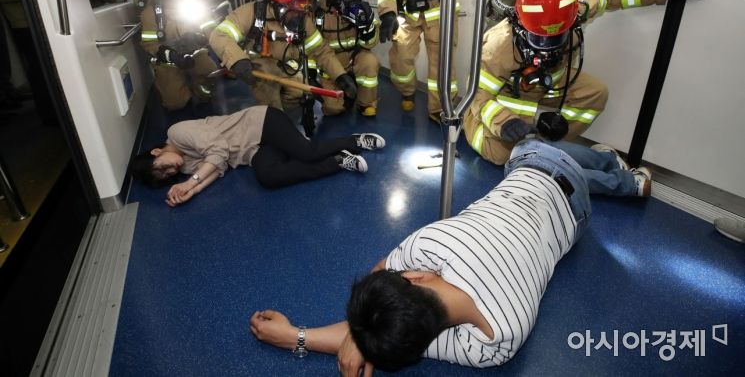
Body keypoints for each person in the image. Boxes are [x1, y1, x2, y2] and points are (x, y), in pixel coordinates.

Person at [249, 138, 647, 373]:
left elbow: (401, 335)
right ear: (416, 278)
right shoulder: (432, 244)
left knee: (567, 165)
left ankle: (620, 176)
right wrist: (353, 334)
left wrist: (298, 338)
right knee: (533, 146)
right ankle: (616, 170)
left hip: (576, 219)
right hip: (534, 166)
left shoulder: (498, 341)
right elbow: (382, 270)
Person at [464, 0, 717, 166]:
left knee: (595, 94)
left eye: (556, 36)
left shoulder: (575, 5)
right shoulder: (498, 46)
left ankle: (548, 148)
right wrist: (505, 122)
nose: (548, 44)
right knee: (500, 155)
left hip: (551, 79)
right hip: (511, 90)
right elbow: (477, 92)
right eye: (539, 37)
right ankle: (477, 127)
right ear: (520, 25)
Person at [131, 105, 386, 206]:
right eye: (166, 176)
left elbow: (218, 151)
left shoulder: (176, 132)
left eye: (161, 167)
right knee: (268, 177)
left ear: (156, 152)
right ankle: (338, 161)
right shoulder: (186, 168)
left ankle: (355, 141)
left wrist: (190, 181)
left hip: (262, 122)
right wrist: (193, 191)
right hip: (253, 150)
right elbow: (218, 168)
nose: (171, 172)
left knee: (305, 152)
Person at [209, 0, 357, 112]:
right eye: (293, 11)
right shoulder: (253, 13)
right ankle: (273, 119)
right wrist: (237, 60)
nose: (297, 17)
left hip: (286, 66)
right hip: (259, 68)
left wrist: (340, 76)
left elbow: (321, 51)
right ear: (278, 6)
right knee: (268, 85)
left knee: (300, 91)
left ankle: (273, 111)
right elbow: (219, 35)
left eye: (301, 11)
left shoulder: (302, 20)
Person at [138, 0, 218, 111]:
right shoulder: (149, 13)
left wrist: (201, 38)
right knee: (176, 103)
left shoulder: (191, 2)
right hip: (168, 60)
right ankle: (179, 89)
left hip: (193, 50)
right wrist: (171, 55)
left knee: (209, 71)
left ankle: (200, 87)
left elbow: (207, 24)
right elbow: (149, 45)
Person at [315, 0, 380, 117]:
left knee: (370, 62)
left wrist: (367, 27)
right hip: (331, 68)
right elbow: (315, 50)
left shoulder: (358, 8)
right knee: (333, 110)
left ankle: (366, 104)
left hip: (353, 60)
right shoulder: (317, 15)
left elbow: (370, 44)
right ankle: (343, 96)